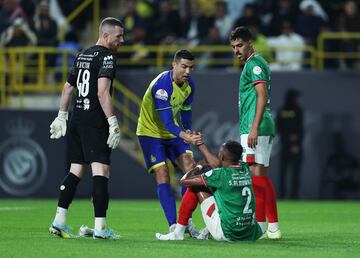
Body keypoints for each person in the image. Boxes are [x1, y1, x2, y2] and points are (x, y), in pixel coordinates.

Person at [48, 17, 124, 239]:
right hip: (94, 122)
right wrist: (112, 122)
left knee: (75, 170)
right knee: (101, 171)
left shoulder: (83, 54)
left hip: (76, 119)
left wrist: (62, 115)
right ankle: (101, 228)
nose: (123, 40)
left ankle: (59, 221)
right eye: (119, 36)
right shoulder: (108, 56)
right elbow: (102, 92)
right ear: (106, 35)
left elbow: (68, 87)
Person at [136, 49, 202, 235]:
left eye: (191, 67)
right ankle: (174, 225)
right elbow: (166, 122)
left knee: (191, 170)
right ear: (174, 65)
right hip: (150, 133)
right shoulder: (162, 86)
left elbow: (186, 110)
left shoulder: (190, 85)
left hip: (172, 133)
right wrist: (186, 136)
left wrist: (188, 130)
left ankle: (185, 222)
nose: (187, 71)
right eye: (183, 67)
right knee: (163, 173)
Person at [229, 26, 281, 239]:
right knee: (259, 176)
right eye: (233, 47)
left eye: (239, 45)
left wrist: (253, 127)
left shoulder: (255, 64)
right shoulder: (254, 63)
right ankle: (267, 225)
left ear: (250, 42)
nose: (236, 50)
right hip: (257, 126)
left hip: (256, 126)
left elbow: (261, 96)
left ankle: (267, 225)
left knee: (256, 178)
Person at [155, 140, 263, 241]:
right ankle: (208, 230)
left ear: (222, 156)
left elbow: (184, 181)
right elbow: (220, 165)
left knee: (195, 187)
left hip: (228, 233)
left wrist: (198, 167)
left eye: (220, 152)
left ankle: (178, 233)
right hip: (251, 233)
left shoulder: (220, 175)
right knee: (221, 194)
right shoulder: (245, 168)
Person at [276, 89, 304, 199]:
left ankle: (292, 195)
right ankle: (287, 195)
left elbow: (299, 130)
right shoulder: (296, 111)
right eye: (296, 97)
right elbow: (299, 129)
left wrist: (293, 142)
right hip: (289, 146)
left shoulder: (284, 110)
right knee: (286, 172)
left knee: (291, 172)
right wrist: (294, 142)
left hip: (289, 146)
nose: (298, 99)